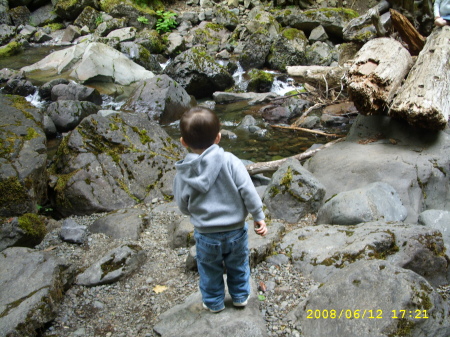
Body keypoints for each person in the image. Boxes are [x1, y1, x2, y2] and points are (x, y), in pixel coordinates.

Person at [173, 106, 268, 313]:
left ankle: (214, 302)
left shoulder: (183, 173)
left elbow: (182, 205)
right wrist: (258, 216)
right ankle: (240, 296)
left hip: (206, 235)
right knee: (238, 265)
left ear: (183, 142)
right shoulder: (231, 161)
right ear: (218, 137)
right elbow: (248, 191)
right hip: (235, 231)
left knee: (209, 269)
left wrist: (196, 213)